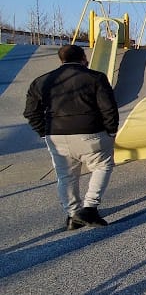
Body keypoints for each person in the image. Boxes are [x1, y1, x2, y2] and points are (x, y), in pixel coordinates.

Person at [23, 45, 119, 230]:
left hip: (56, 135)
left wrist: (44, 132)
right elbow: (108, 108)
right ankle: (90, 208)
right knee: (102, 165)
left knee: (66, 176)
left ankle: (72, 214)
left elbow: (31, 112)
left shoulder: (41, 81)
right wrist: (111, 131)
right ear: (84, 57)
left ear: (61, 60)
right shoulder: (96, 77)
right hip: (91, 132)